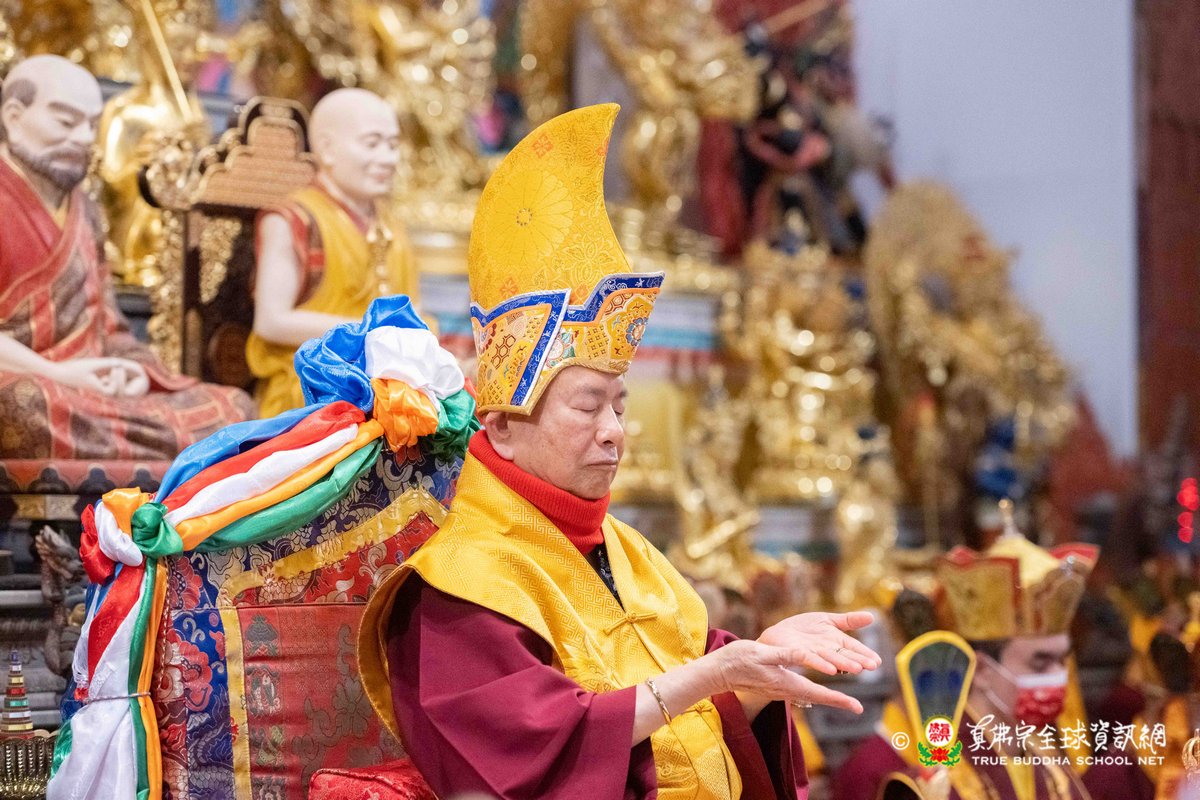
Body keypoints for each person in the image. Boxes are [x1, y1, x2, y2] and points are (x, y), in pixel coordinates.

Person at [357, 104, 882, 798]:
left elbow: (700, 732)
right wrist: (710, 676)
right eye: (587, 406)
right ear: (502, 425)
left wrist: (758, 673)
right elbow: (534, 760)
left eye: (621, 406)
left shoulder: (634, 557)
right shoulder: (459, 586)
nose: (613, 431)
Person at [0, 54, 253, 461]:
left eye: (91, 125)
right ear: (13, 117)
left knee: (233, 408)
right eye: (66, 122)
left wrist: (129, 370)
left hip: (91, 391)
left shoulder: (85, 209)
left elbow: (109, 325)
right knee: (20, 408)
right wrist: (59, 374)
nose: (83, 138)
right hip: (32, 384)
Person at [834, 514, 1153, 800]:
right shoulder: (928, 778)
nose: (1058, 678)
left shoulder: (1049, 761)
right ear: (982, 670)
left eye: (1062, 661)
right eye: (1039, 662)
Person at [246, 87, 420, 417]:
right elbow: (271, 321)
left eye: (393, 145)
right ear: (327, 149)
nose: (388, 159)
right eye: (372, 144)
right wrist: (371, 334)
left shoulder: (393, 226)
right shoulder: (293, 220)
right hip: (313, 385)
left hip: (390, 381)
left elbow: (412, 311)